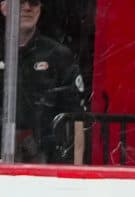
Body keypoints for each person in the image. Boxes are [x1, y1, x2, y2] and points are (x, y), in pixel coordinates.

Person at [0, 0, 85, 163]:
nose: (27, 7)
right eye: (20, 2)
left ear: (39, 9)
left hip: (45, 165)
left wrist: (77, 169)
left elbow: (77, 119)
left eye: (34, 2)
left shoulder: (58, 55)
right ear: (4, 7)